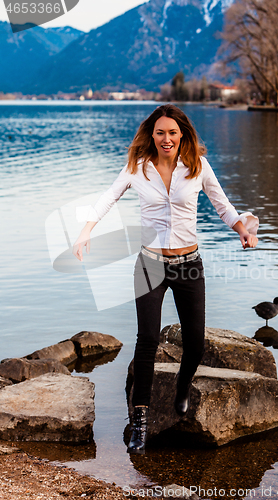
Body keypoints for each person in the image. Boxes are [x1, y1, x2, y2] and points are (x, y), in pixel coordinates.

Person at [73, 104, 258, 455]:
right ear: (152, 135)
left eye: (173, 132)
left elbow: (223, 206)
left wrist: (241, 231)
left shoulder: (199, 167)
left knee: (196, 343)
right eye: (160, 132)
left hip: (189, 264)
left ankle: (183, 387)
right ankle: (140, 423)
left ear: (183, 134)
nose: (167, 138)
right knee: (147, 340)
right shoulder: (137, 168)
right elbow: (108, 198)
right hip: (151, 265)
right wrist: (85, 233)